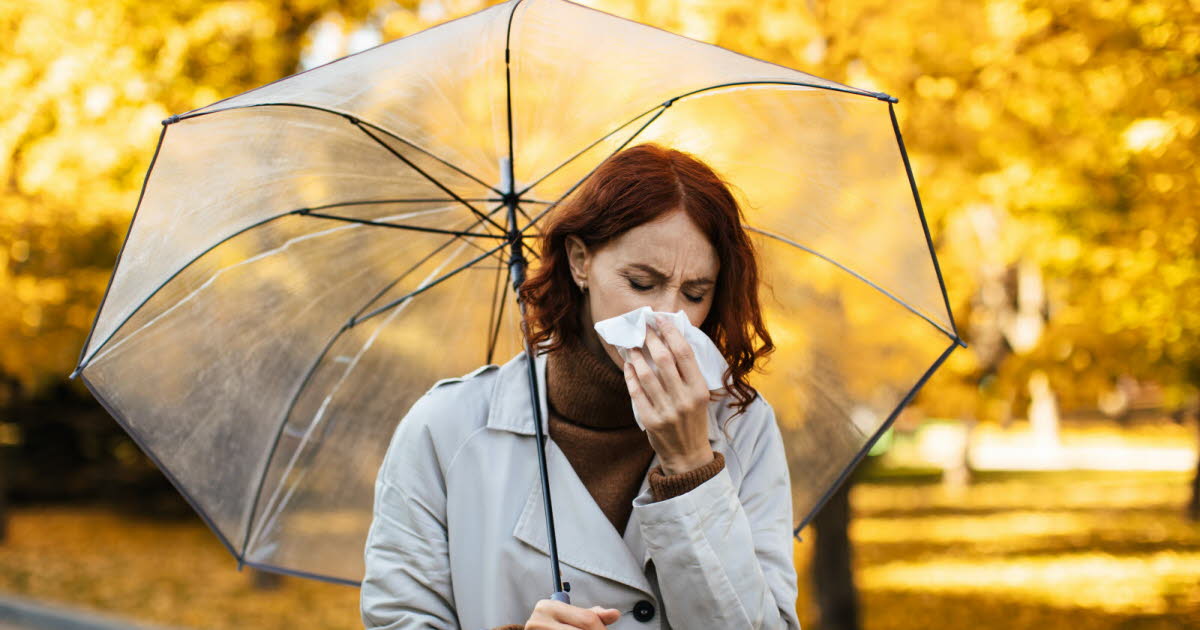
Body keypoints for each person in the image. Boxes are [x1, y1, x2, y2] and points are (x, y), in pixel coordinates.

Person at [361, 143, 800, 630]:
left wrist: (691, 465)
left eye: (696, 293)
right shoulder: (445, 428)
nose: (669, 318)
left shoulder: (742, 425)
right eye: (640, 282)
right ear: (579, 261)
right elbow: (399, 619)